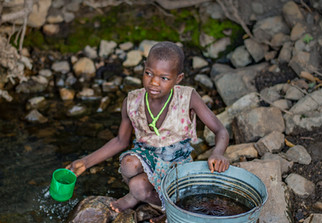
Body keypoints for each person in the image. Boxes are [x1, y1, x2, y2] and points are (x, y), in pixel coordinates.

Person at [66, 41, 229, 212]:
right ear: (144, 68)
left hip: (176, 164)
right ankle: (144, 197)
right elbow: (121, 141)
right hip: (147, 158)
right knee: (128, 164)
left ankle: (155, 202)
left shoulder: (187, 98)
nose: (154, 83)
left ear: (178, 78)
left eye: (164, 78)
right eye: (149, 73)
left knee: (137, 186)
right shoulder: (132, 102)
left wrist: (217, 153)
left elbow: (220, 130)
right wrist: (85, 163)